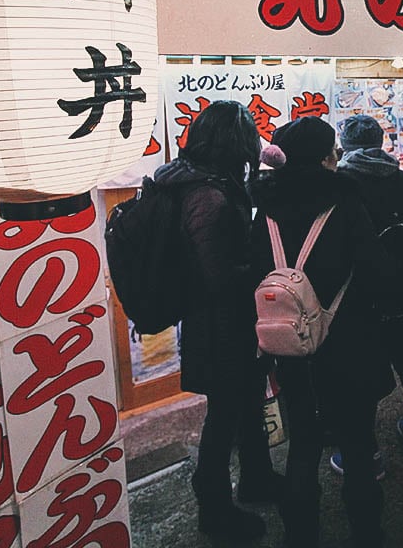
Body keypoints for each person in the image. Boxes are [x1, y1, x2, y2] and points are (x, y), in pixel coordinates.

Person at [250, 116, 394, 548]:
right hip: (350, 345)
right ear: (321, 156)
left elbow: (254, 276)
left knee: (303, 447)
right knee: (356, 444)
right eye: (332, 150)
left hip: (290, 350)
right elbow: (376, 273)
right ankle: (367, 533)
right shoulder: (345, 203)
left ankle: (300, 536)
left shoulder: (266, 210)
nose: (337, 157)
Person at [152, 100, 281, 540]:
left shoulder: (199, 180)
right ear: (234, 141)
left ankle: (257, 478)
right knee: (224, 415)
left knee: (245, 404)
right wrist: (264, 268)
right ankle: (215, 511)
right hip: (219, 323)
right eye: (250, 137)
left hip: (218, 319)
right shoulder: (207, 194)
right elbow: (219, 275)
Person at [334, 114, 403, 465]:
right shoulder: (401, 179)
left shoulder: (342, 182)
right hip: (399, 285)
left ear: (345, 145)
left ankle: (364, 452)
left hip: (358, 292)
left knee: (360, 370)